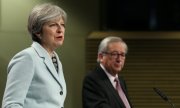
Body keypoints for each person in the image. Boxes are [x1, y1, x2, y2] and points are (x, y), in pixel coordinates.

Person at [2, 3, 67, 108]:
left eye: (62, 24)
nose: (60, 29)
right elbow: (11, 105)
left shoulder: (56, 61)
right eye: (53, 25)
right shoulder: (27, 58)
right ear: (37, 31)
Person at [82, 36, 133, 108]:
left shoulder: (121, 81)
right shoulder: (92, 80)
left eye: (122, 55)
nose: (119, 59)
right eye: (114, 54)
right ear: (101, 57)